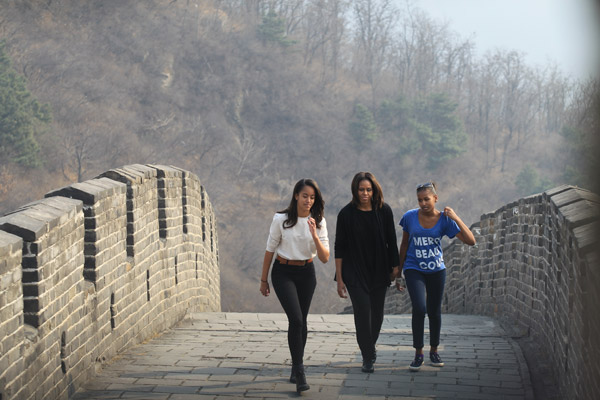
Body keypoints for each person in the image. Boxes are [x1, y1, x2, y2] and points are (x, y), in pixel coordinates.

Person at [395, 182, 476, 371]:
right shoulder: (409, 217)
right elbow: (404, 245)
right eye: (420, 200)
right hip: (414, 268)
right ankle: (418, 353)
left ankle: (433, 350)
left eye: (426, 199)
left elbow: (471, 241)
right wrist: (398, 273)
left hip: (437, 271)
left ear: (435, 199)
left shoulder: (445, 220)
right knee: (419, 307)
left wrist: (455, 217)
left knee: (434, 311)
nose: (423, 203)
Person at [259, 179, 330, 393]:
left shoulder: (318, 221)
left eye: (312, 197)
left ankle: (295, 363)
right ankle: (300, 371)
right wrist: (264, 280)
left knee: (301, 321)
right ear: (296, 196)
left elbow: (325, 257)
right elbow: (270, 250)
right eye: (305, 196)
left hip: (307, 273)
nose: (308, 200)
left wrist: (314, 235)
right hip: (283, 272)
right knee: (296, 319)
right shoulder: (281, 219)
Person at [334, 172, 400, 373]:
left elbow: (391, 240)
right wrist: (339, 278)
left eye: (368, 189)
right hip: (354, 270)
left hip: (379, 269)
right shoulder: (346, 214)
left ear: (374, 190)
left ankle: (368, 347)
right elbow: (339, 247)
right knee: (363, 313)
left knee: (377, 316)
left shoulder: (384, 211)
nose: (365, 193)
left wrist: (395, 267)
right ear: (355, 190)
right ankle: (368, 356)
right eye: (361, 189)